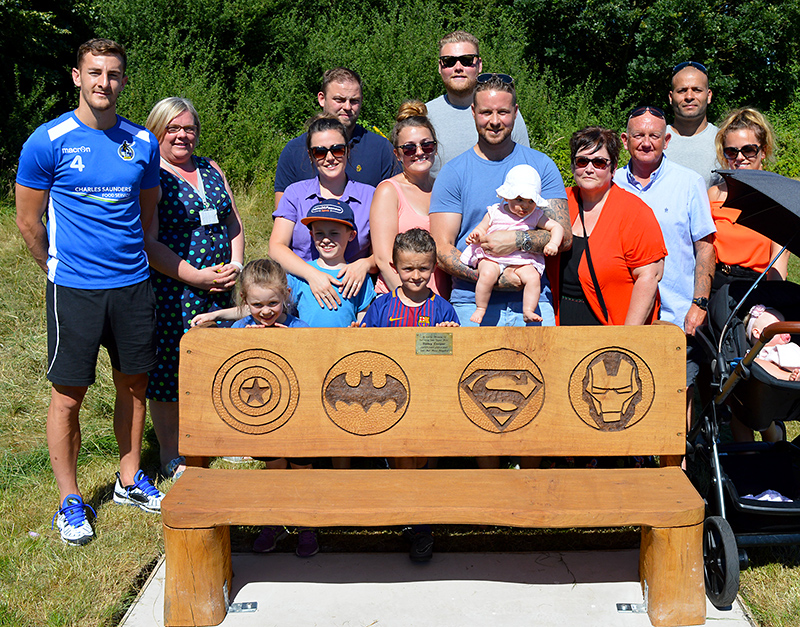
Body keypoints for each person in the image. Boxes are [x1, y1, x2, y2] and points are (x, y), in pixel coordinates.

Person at [15, 39, 164, 545]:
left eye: (114, 74)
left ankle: (128, 479)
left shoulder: (143, 142)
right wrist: (54, 268)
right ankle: (70, 500)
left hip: (133, 286)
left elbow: (147, 216)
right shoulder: (47, 140)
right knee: (68, 396)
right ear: (77, 76)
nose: (105, 82)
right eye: (95, 72)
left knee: (134, 384)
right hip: (74, 288)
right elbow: (28, 221)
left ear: (124, 81)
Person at [143, 97, 245, 480]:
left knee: (221, 364)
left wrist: (235, 263)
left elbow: (233, 223)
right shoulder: (152, 173)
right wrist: (195, 277)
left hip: (223, 285)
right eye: (174, 128)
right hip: (176, 289)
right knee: (172, 369)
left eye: (189, 128)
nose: (183, 135)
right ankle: (171, 451)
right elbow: (148, 241)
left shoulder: (211, 168)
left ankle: (222, 437)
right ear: (158, 130)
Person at [194, 259, 317, 556]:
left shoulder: (299, 327)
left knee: (302, 470)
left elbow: (314, 361)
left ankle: (306, 524)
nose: (265, 311)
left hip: (299, 419)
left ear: (286, 295)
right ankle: (273, 521)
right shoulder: (241, 328)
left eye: (273, 303)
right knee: (273, 469)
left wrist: (294, 340)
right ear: (245, 302)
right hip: (264, 418)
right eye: (257, 304)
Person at [429, 73, 570, 329]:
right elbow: (441, 249)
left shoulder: (542, 166)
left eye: (503, 112)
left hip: (534, 304)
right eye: (486, 112)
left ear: (515, 112)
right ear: (473, 112)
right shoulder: (453, 172)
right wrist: (496, 276)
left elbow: (564, 236)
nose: (494, 121)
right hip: (470, 304)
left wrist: (515, 241)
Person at [359, 228, 459, 562]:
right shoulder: (380, 308)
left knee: (422, 461)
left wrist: (451, 338)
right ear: (395, 267)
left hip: (428, 405)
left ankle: (420, 521)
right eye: (408, 269)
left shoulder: (443, 310)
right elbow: (364, 350)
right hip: (388, 402)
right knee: (403, 459)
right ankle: (412, 519)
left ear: (434, 268)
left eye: (423, 269)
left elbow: (453, 362)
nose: (416, 276)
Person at [613, 105, 716, 429]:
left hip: (675, 308)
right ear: (625, 140)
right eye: (638, 135)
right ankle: (632, 460)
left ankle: (679, 463)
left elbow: (705, 246)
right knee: (624, 387)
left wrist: (699, 302)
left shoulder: (689, 182)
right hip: (621, 311)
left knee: (676, 388)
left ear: (667, 140)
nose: (646, 142)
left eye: (654, 135)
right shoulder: (611, 182)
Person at [553, 127, 666, 326]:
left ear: (613, 168)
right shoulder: (559, 203)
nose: (589, 169)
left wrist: (627, 340)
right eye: (581, 161)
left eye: (599, 163)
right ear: (572, 167)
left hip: (611, 330)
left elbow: (648, 277)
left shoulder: (635, 212)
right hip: (557, 327)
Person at [269, 114, 376, 313]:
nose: (329, 158)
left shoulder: (371, 195)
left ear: (348, 151)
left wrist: (364, 264)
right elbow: (276, 247)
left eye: (337, 149)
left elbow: (385, 252)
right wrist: (313, 275)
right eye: (320, 152)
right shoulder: (295, 193)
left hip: (353, 298)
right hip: (301, 295)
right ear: (310, 156)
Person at [273, 67, 397, 208]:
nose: (347, 107)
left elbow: (397, 204)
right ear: (322, 99)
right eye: (339, 99)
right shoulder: (294, 151)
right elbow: (282, 212)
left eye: (354, 101)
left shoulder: (381, 149)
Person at [461, 164, 564, 324]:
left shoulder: (535, 215)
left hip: (521, 260)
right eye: (519, 199)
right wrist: (476, 235)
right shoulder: (495, 211)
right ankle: (481, 307)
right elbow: (481, 228)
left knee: (533, 277)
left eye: (531, 201)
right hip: (493, 258)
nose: (525, 205)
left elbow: (557, 226)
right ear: (506, 197)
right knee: (487, 274)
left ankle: (528, 310)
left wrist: (553, 243)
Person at [370, 100, 450, 297]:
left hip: (441, 302)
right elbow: (383, 259)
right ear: (397, 154)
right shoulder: (389, 191)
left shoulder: (444, 189)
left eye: (426, 145)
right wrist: (412, 302)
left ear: (435, 148)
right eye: (409, 149)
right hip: (398, 300)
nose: (420, 152)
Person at [426, 30, 530, 178]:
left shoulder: (506, 114)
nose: (458, 67)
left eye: (467, 60)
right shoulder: (424, 115)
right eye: (449, 61)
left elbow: (526, 170)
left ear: (479, 65)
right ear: (440, 67)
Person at [708, 107, 788, 292]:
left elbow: (779, 260)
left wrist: (773, 300)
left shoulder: (777, 196)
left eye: (749, 150)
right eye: (732, 152)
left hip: (756, 285)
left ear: (763, 151)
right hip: (717, 284)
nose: (740, 158)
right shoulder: (714, 194)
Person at [664, 61, 722, 188]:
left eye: (697, 90)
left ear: (709, 96)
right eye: (682, 91)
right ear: (671, 97)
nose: (689, 96)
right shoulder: (654, 140)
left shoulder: (724, 141)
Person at [746, 305, 800, 383]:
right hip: (778, 379)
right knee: (753, 362)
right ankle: (788, 376)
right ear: (758, 333)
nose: (785, 331)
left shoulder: (788, 347)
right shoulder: (756, 356)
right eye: (779, 327)